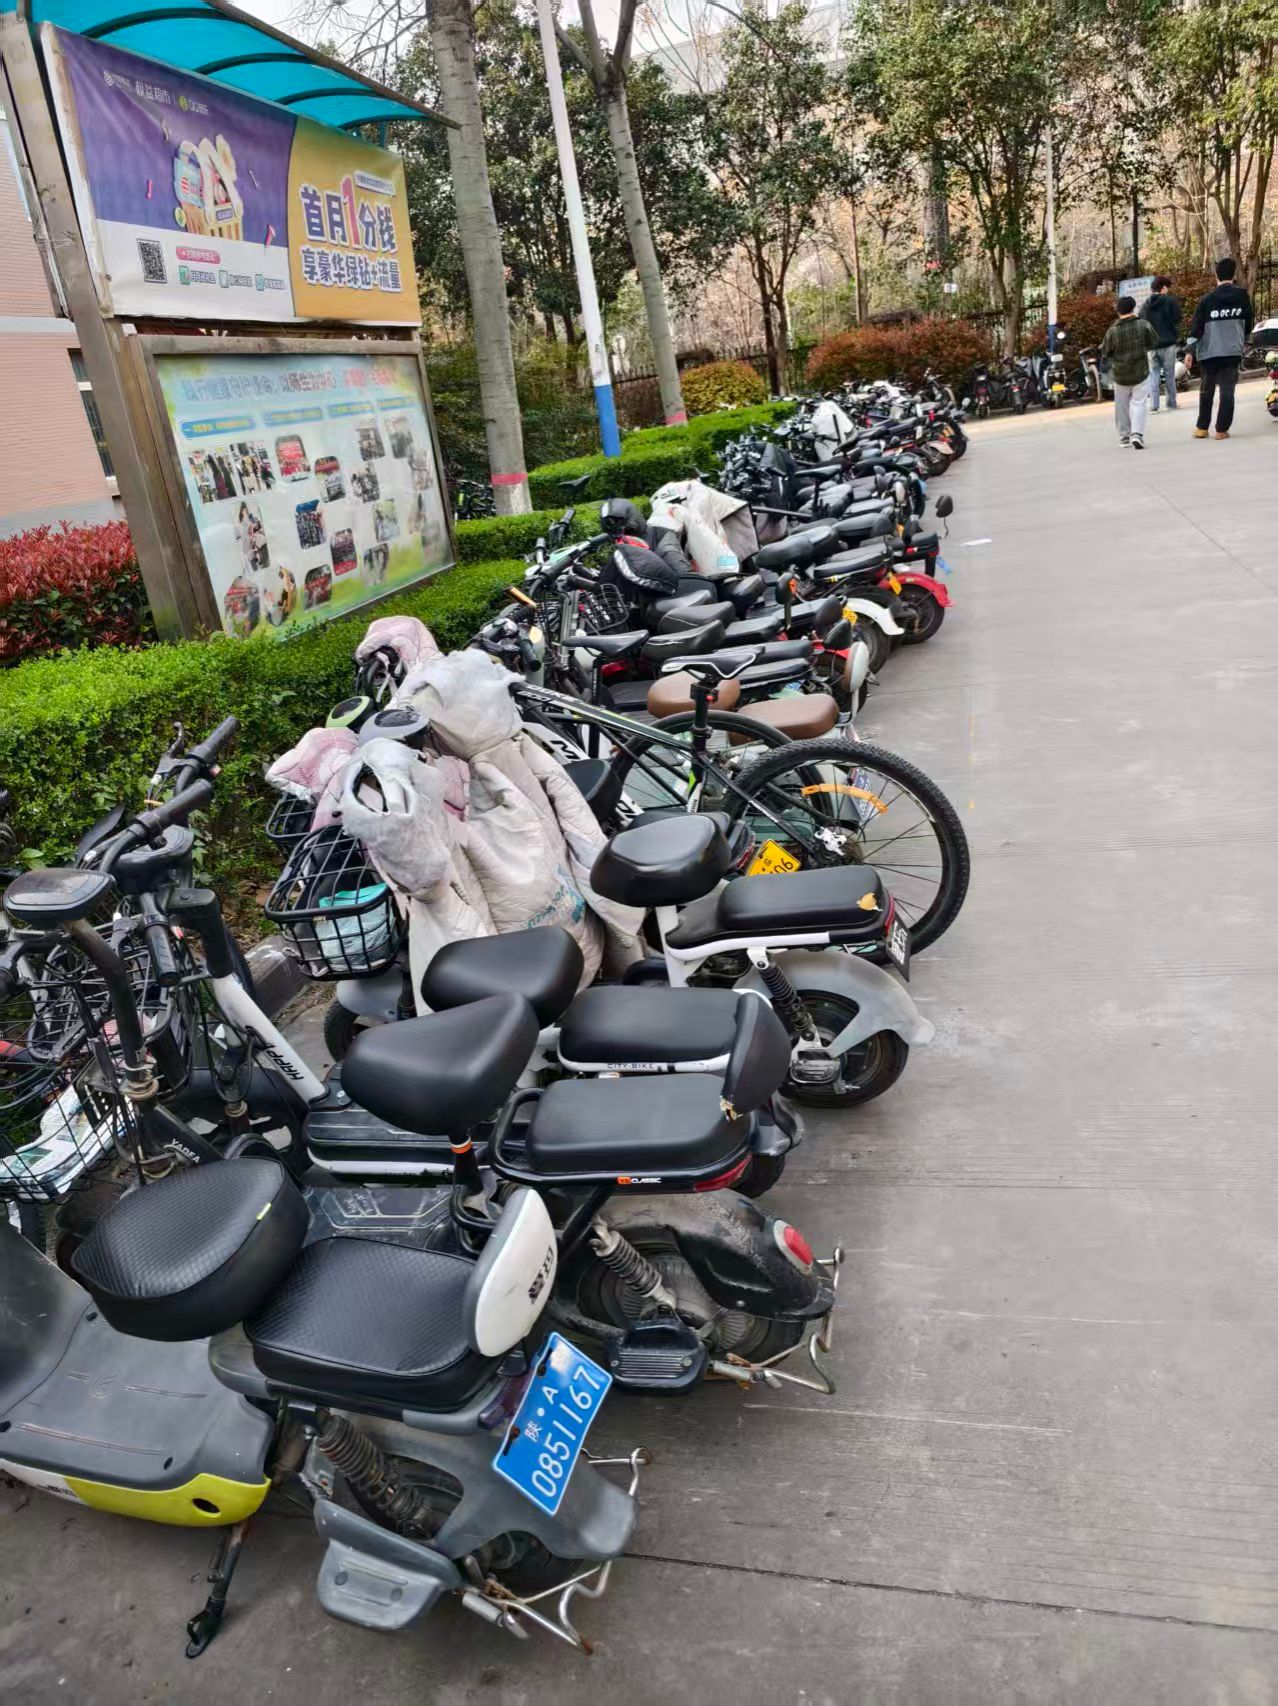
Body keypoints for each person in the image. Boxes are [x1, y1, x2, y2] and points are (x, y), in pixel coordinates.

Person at [1187, 257, 1255, 440]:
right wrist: (1243, 340)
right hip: (1231, 350)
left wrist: (1190, 351)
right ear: (1233, 275)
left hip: (1209, 351)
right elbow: (1248, 324)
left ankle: (1202, 428)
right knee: (1227, 391)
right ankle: (1221, 430)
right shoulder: (1242, 297)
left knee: (1206, 389)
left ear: (1216, 276)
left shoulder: (1207, 300)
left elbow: (1197, 328)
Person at [1100, 295, 1159, 449]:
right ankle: (1137, 434)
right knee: (1139, 403)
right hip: (1141, 371)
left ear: (1118, 311)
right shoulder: (1143, 325)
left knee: (1121, 405)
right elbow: (1154, 341)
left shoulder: (1112, 331)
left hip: (1120, 374)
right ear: (1133, 308)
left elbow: (1105, 351)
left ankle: (1124, 436)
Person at [1140, 276, 1182, 412]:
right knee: (1169, 375)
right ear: (1163, 288)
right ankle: (1171, 403)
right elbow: (1177, 318)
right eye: (1167, 288)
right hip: (1168, 343)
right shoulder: (1170, 301)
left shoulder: (1145, 305)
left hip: (1151, 347)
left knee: (1153, 375)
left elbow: (1141, 323)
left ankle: (1154, 405)